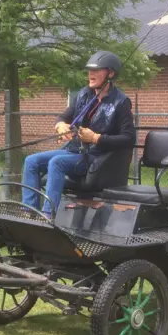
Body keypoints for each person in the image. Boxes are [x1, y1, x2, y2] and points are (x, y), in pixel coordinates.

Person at [22, 51, 136, 218]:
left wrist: (96, 138)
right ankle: (28, 211)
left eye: (96, 70)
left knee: (57, 162)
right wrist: (60, 125)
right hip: (75, 151)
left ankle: (48, 214)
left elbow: (129, 138)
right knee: (31, 160)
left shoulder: (121, 102)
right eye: (89, 70)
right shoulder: (84, 94)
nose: (91, 74)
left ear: (111, 73)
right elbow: (64, 116)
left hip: (96, 158)